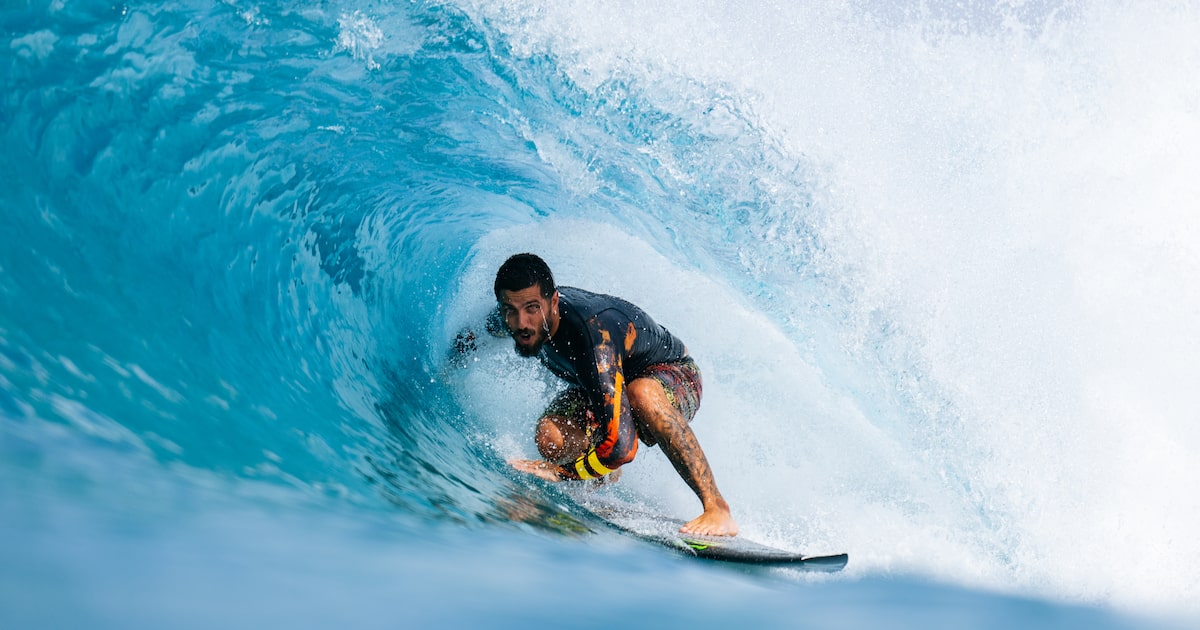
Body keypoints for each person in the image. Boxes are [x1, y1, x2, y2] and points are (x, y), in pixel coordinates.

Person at [493, 253, 738, 537]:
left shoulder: (593, 337)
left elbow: (623, 448)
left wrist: (560, 473)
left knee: (641, 393)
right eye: (510, 310)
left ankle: (716, 507)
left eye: (532, 308)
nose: (521, 322)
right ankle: (602, 471)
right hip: (606, 383)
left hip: (673, 375)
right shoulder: (515, 319)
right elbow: (484, 330)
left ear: (554, 302)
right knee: (551, 437)